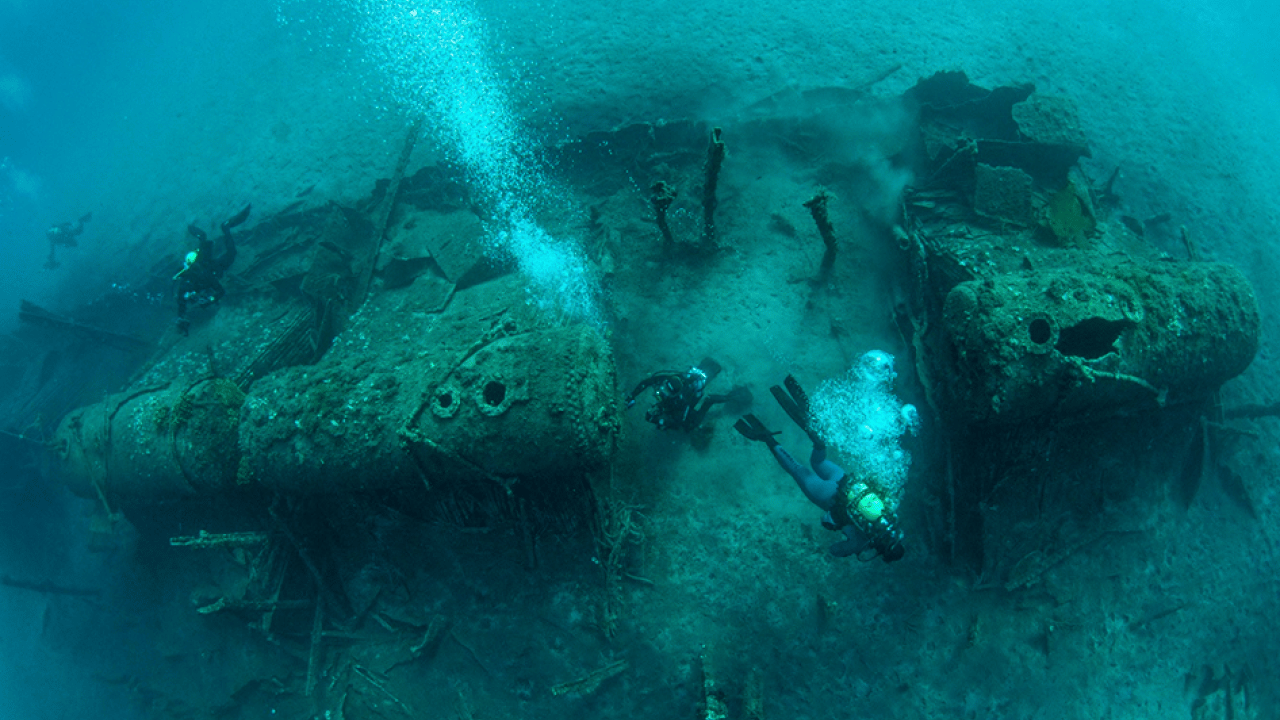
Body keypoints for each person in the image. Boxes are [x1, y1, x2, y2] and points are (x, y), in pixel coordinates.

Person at [735, 375, 905, 562]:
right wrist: (855, 549)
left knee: (817, 461)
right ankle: (768, 438)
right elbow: (834, 549)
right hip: (827, 496)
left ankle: (818, 441)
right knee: (796, 468)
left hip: (843, 480)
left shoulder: (890, 515)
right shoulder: (864, 541)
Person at [173, 204, 250, 336]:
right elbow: (181, 304)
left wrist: (211, 300)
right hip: (206, 266)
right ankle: (192, 226)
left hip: (213, 266)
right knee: (204, 238)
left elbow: (221, 291)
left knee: (230, 252)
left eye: (192, 296)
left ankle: (224, 227)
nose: (194, 296)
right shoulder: (185, 286)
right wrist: (181, 317)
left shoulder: (204, 277)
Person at [624, 357, 749, 432]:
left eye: (668, 392)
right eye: (663, 388)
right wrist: (632, 396)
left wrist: (657, 420)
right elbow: (646, 382)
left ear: (676, 394)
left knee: (690, 427)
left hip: (689, 402)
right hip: (685, 390)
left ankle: (734, 396)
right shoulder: (667, 378)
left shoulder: (684, 400)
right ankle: (706, 367)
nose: (662, 392)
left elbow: (680, 422)